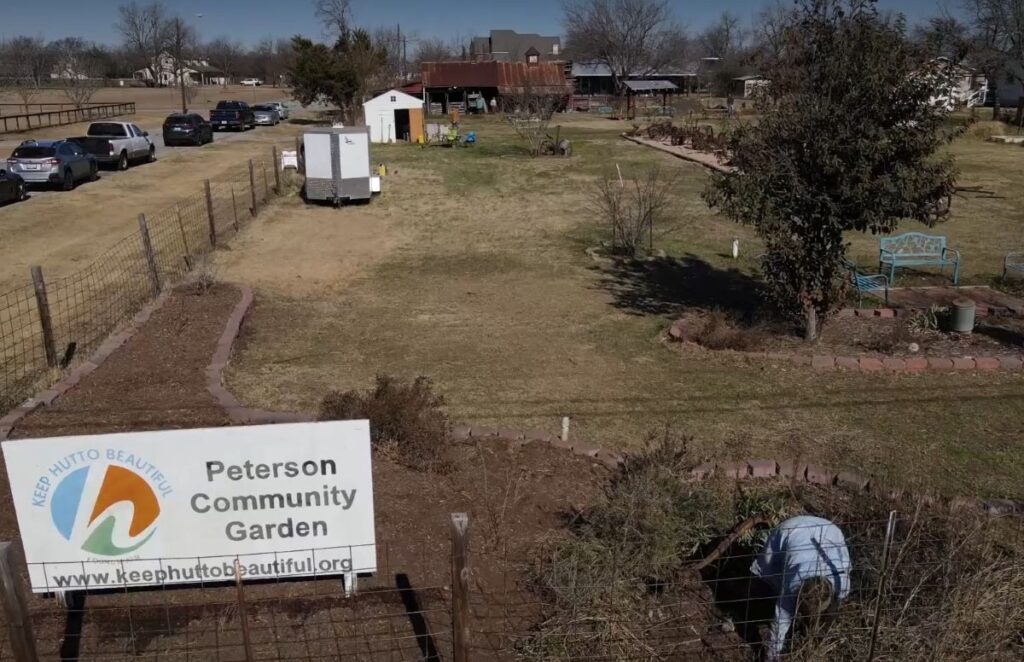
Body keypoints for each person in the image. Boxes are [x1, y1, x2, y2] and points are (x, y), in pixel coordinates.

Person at [751, 516, 851, 661]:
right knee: (764, 571)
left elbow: (836, 603)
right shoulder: (792, 585)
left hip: (831, 531)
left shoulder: (842, 583)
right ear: (798, 594)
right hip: (789, 529)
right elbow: (781, 620)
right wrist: (773, 654)